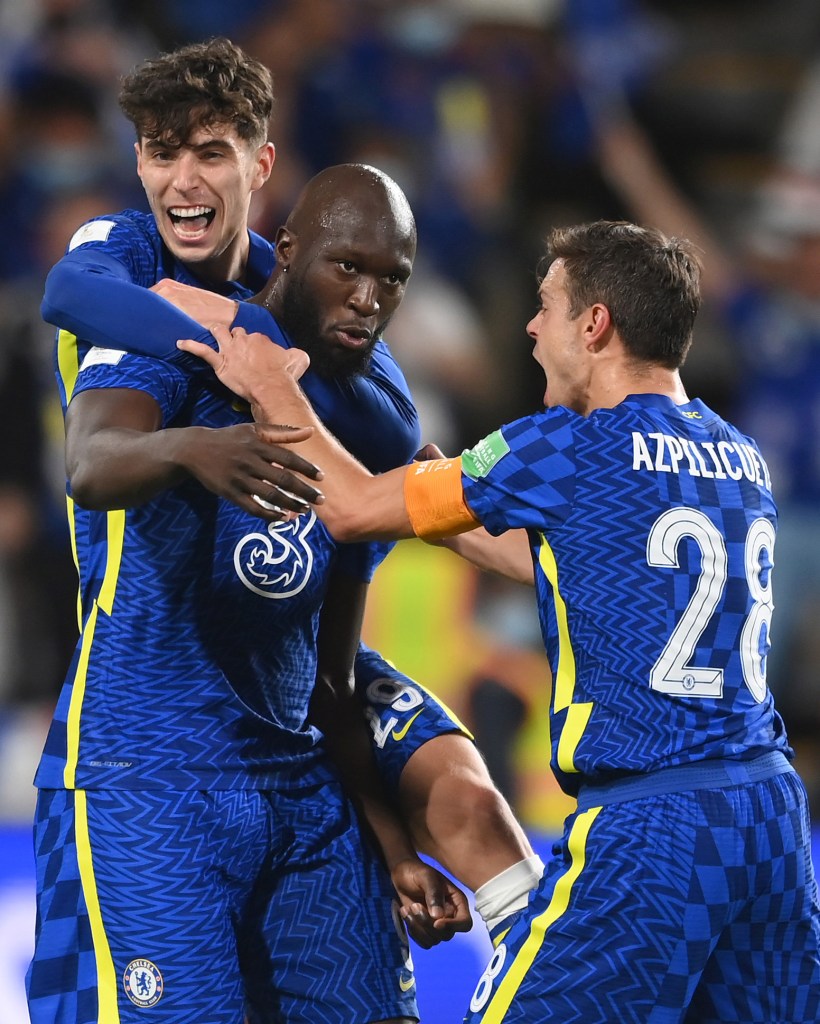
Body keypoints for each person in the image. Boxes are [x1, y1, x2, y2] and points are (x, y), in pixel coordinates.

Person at [180, 219, 820, 1022]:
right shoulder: (739, 457)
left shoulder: (568, 445)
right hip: (771, 822)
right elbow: (569, 564)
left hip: (654, 824)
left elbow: (347, 509)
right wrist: (437, 502)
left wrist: (269, 383)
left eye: (546, 305)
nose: (530, 326)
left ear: (595, 325)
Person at [28, 41, 475, 1024]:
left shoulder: (334, 339)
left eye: (212, 154)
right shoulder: (137, 292)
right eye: (163, 154)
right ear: (139, 161)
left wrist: (391, 841)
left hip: (300, 775)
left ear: (260, 166)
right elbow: (90, 459)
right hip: (150, 772)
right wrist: (199, 435)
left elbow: (339, 638)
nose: (184, 182)